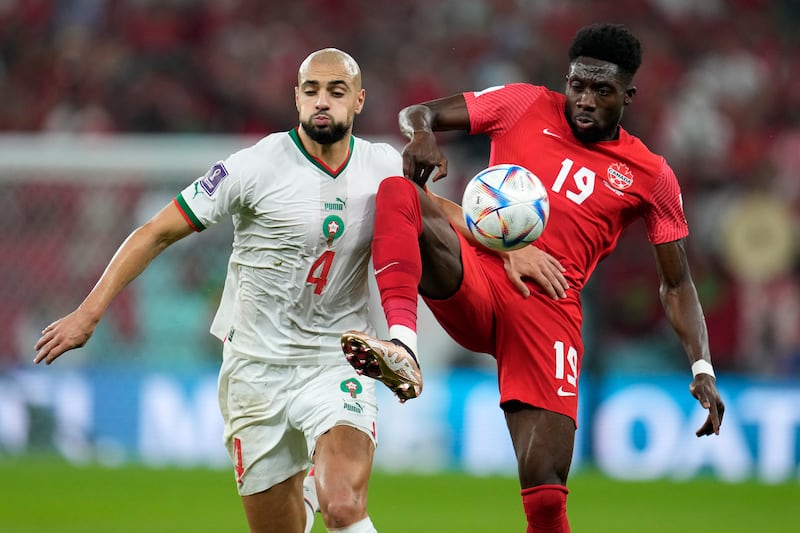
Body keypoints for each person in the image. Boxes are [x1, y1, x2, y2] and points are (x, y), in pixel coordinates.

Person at [341, 23, 726, 532]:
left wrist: (702, 365)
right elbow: (419, 111)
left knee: (545, 495)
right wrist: (422, 136)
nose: (584, 100)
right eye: (577, 86)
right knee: (397, 191)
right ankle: (402, 347)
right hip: (478, 273)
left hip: (549, 311)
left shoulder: (651, 176)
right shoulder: (522, 104)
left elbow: (676, 284)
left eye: (602, 91)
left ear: (628, 96)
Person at [34, 48, 400, 533]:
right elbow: (155, 231)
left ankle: (322, 490)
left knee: (344, 507)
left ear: (358, 101)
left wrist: (505, 247)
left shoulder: (385, 167)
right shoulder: (252, 167)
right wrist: (89, 313)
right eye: (311, 91)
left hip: (334, 359)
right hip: (254, 369)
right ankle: (302, 495)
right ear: (296, 98)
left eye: (336, 92)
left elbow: (438, 220)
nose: (322, 102)